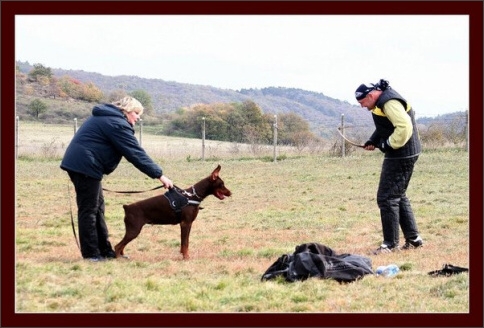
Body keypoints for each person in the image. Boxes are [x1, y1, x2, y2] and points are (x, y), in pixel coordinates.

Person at [61, 96, 173, 261]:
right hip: (85, 166)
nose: (138, 117)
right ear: (127, 111)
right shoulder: (116, 123)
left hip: (84, 165)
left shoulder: (108, 118)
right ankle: (91, 255)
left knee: (98, 208)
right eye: (136, 113)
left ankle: (105, 251)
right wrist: (160, 175)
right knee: (89, 210)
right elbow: (135, 153)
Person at [354, 79, 423, 255]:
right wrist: (373, 140)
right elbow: (386, 125)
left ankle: (390, 245)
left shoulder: (389, 102)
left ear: (370, 95)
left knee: (386, 198)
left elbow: (404, 127)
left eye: (362, 102)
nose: (362, 106)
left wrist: (388, 145)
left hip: (402, 153)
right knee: (398, 195)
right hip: (404, 152)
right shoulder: (379, 103)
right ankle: (414, 240)